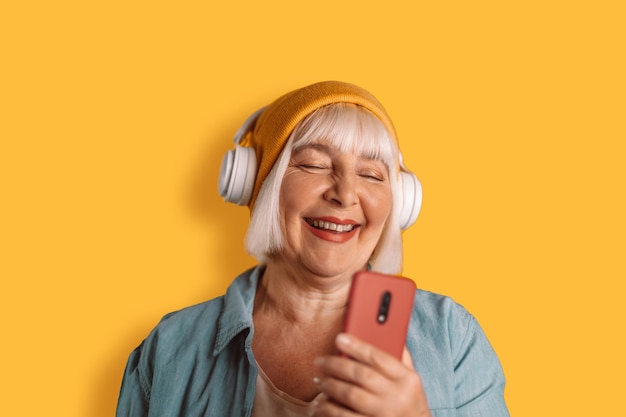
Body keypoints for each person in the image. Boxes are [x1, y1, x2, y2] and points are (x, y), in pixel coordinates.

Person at [116, 81, 509, 417]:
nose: (345, 194)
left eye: (372, 175)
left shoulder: (451, 337)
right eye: (314, 165)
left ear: (399, 204)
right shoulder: (171, 347)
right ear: (260, 185)